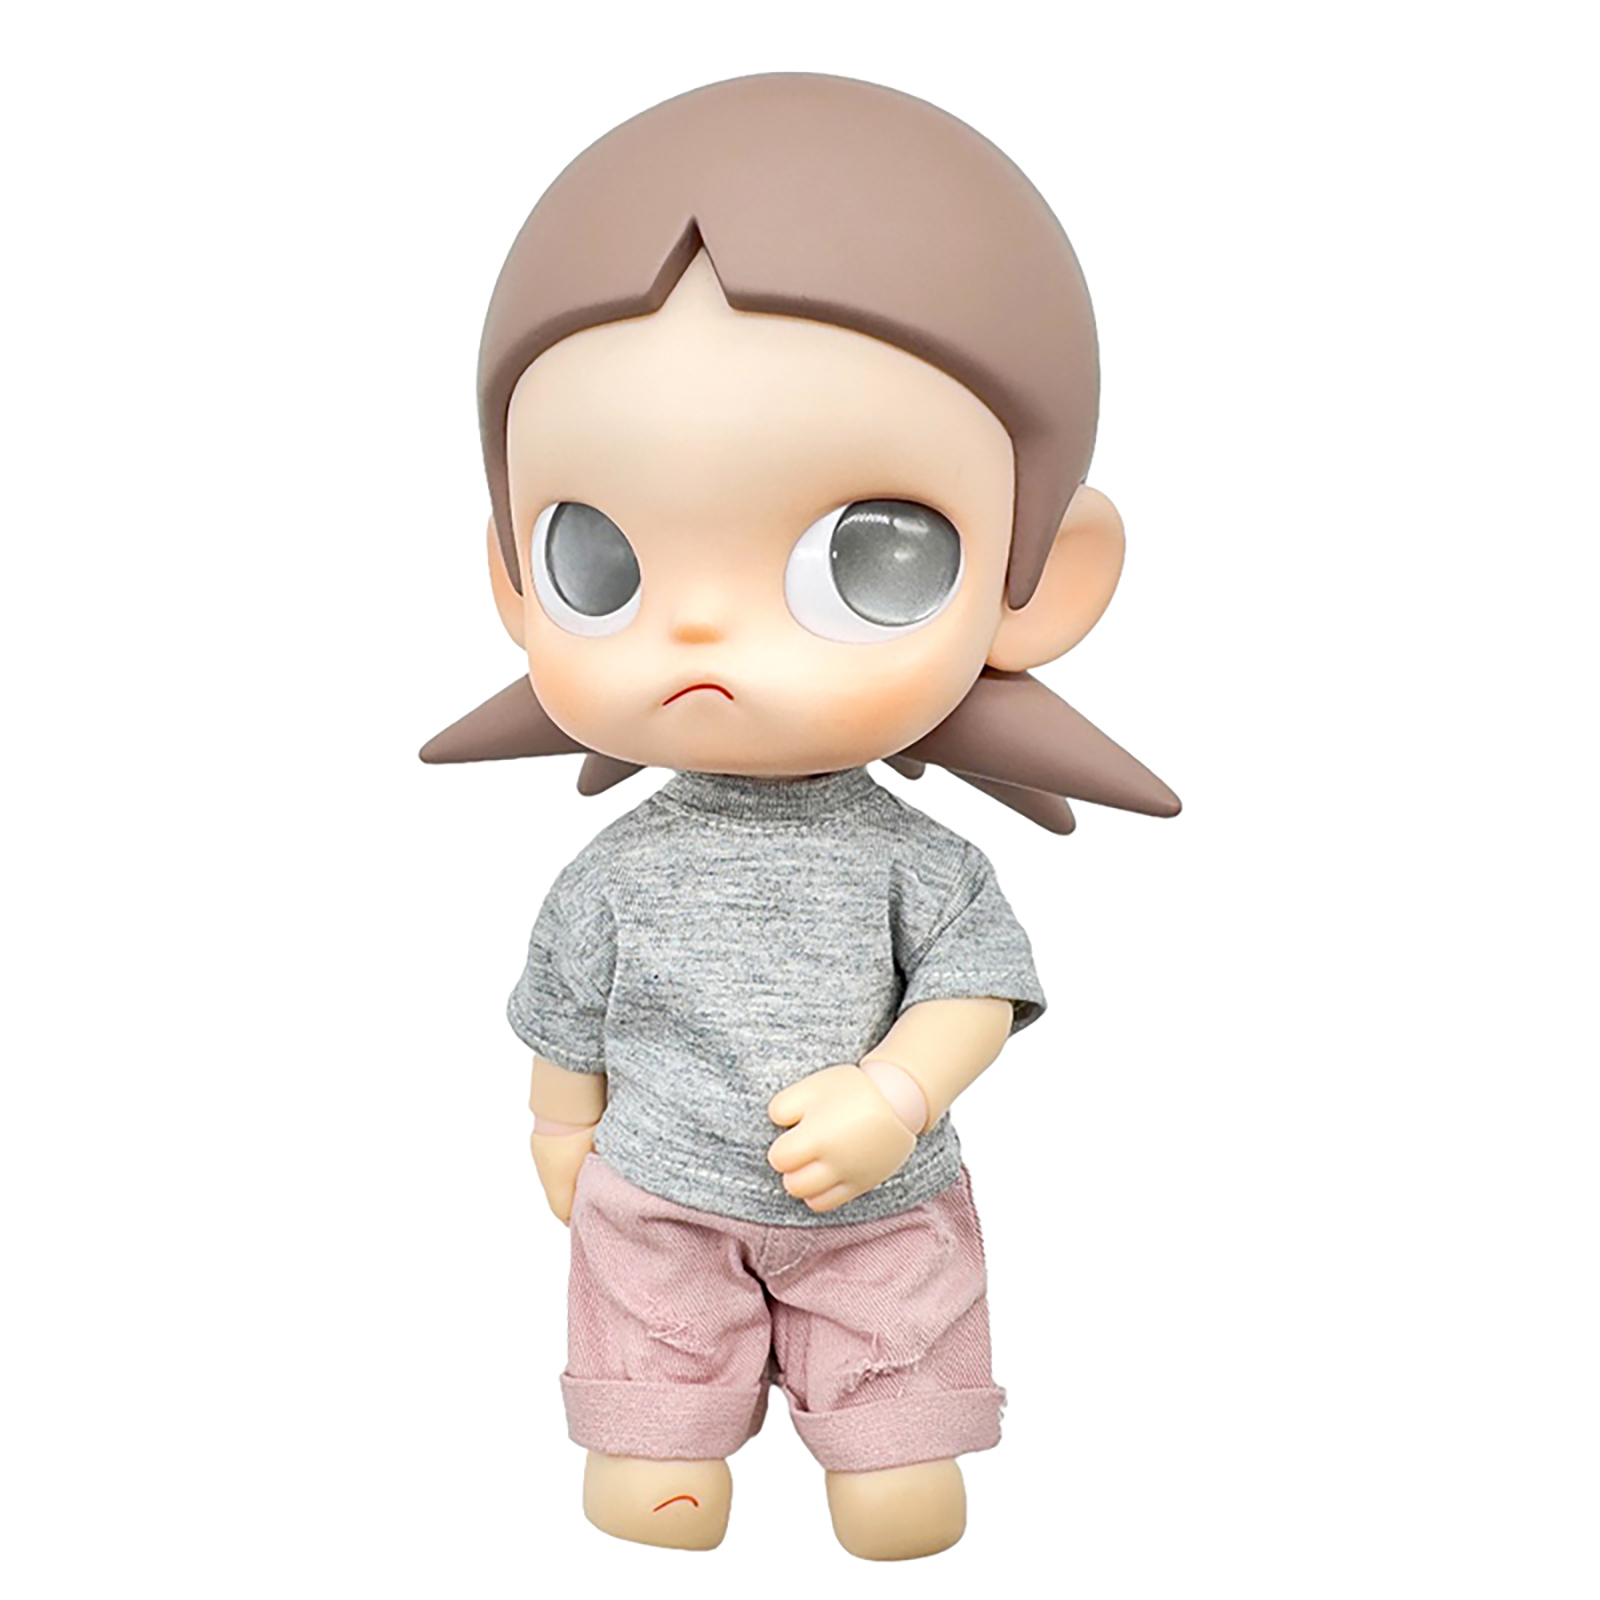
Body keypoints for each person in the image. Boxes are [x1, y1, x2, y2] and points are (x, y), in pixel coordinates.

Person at [422, 72, 1178, 1560]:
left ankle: (882, 1434)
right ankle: (665, 1429)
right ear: (511, 577)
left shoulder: (922, 866)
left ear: (1041, 585)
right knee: (648, 1466)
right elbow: (564, 1010)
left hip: (883, 1215)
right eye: (597, 557)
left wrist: (895, 1095)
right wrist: (556, 1123)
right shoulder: (612, 873)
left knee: (901, 1490)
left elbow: (971, 995)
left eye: (871, 554)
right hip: (656, 1207)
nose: (704, 634)